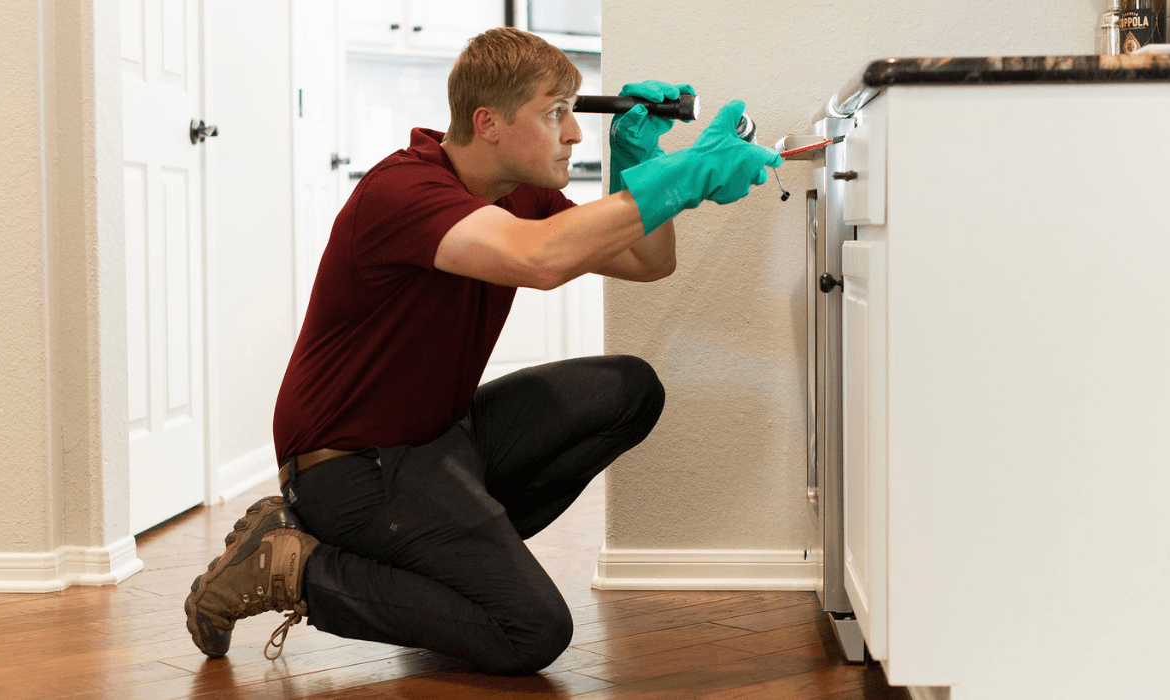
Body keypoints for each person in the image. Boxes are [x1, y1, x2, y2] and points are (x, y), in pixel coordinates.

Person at [183, 27, 781, 675]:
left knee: (628, 389)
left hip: (439, 440)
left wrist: (638, 166)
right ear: (487, 122)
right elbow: (540, 259)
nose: (574, 133)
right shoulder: (402, 192)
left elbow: (647, 261)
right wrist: (683, 176)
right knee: (532, 630)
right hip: (350, 470)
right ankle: (292, 568)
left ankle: (438, 565)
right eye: (556, 113)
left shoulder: (517, 191)